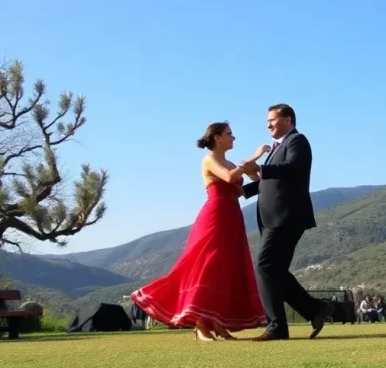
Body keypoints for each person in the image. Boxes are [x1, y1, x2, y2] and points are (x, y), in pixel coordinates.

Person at [131, 122, 268, 341]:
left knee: (225, 267)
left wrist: (257, 175)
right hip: (216, 214)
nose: (233, 138)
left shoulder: (231, 163)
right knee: (208, 263)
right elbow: (229, 177)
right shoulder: (209, 159)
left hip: (233, 214)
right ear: (217, 138)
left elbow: (238, 190)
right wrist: (255, 156)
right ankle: (201, 324)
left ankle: (216, 321)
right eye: (229, 134)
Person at [239, 104, 331, 341]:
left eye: (272, 120)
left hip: (287, 216)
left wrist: (260, 169)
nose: (268, 124)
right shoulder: (277, 147)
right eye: (267, 121)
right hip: (271, 218)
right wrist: (242, 190)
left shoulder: (297, 141)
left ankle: (277, 326)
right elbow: (269, 181)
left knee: (265, 266)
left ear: (288, 119)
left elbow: (292, 168)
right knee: (275, 270)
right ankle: (314, 309)